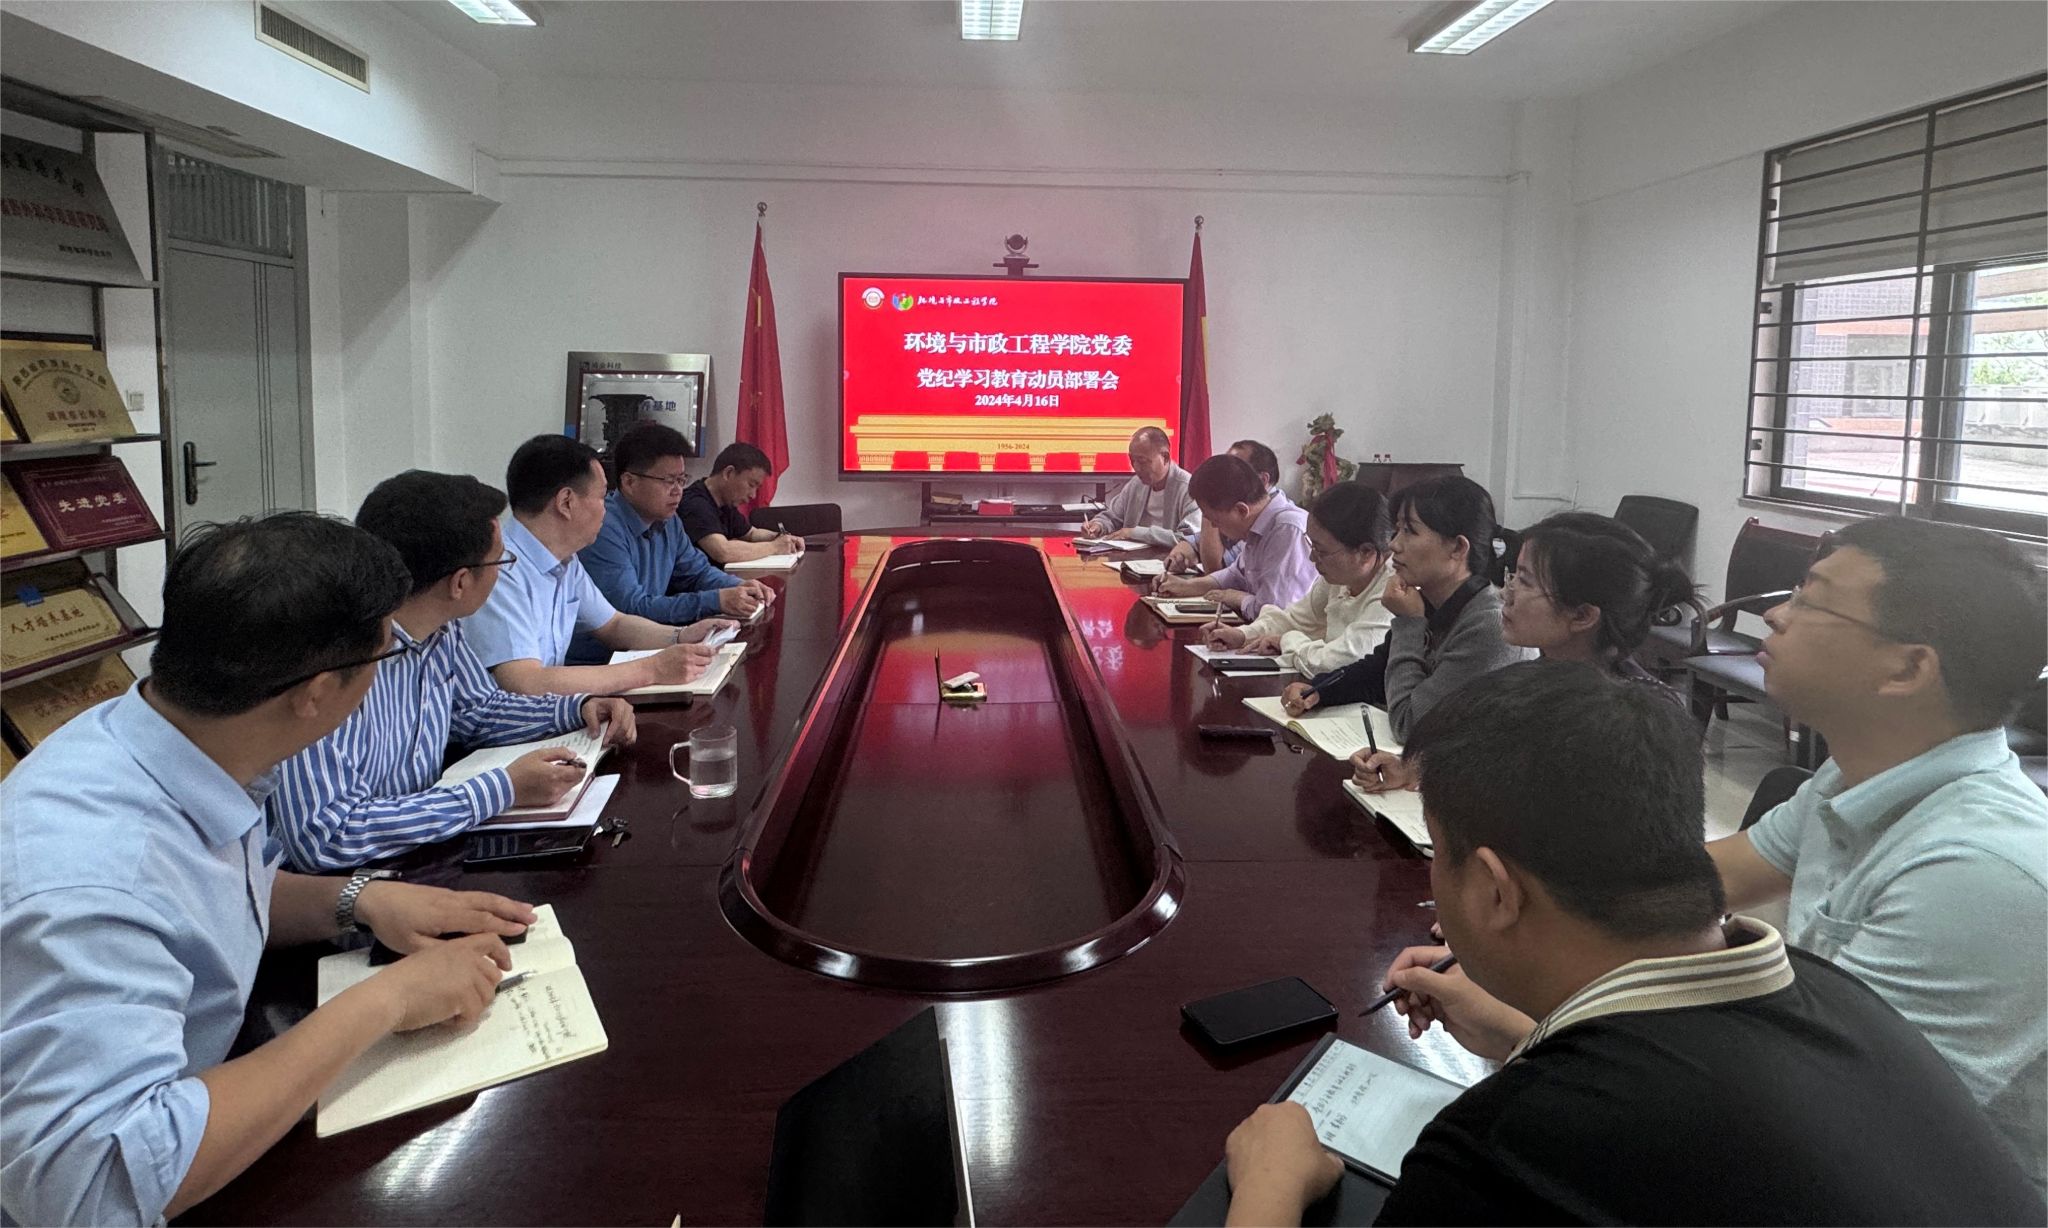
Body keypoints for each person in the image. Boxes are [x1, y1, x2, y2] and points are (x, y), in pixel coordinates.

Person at [1220, 661, 2042, 1226]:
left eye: (1439, 850)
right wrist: (1527, 1035)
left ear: (1496, 890)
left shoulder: (1511, 1144)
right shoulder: (1837, 993)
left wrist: (1271, 1185)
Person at [1, 514, 534, 1226]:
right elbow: (96, 1188)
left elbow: (202, 897)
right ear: (315, 692)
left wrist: (358, 900)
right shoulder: (91, 875)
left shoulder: (177, 742)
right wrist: (385, 1002)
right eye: (381, 661)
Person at [1705, 515, 2047, 1188]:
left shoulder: (1980, 870)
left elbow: (1830, 1110)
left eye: (1811, 600)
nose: (1775, 615)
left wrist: (1527, 1026)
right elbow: (1704, 880)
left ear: (1909, 667)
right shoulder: (1854, 774)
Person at [270, 471, 641, 871]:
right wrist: (501, 790)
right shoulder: (337, 662)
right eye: (501, 561)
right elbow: (328, 836)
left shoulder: (440, 631)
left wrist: (577, 709)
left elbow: (478, 712)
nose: (504, 571)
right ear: (460, 582)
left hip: (421, 856)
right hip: (340, 888)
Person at [1352, 510, 1694, 792]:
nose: (1506, 593)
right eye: (1512, 575)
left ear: (1582, 615)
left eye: (1526, 581)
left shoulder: (1634, 719)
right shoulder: (1535, 680)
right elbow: (1494, 760)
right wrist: (1415, 770)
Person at [468, 435, 732, 697]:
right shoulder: (501, 568)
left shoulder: (565, 560)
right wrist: (653, 668)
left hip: (551, 709)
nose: (606, 509)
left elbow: (613, 625)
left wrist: (682, 635)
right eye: (602, 497)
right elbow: (526, 682)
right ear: (566, 502)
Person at [1281, 475, 1526, 739]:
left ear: (1457, 547)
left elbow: (1410, 723)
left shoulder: (1488, 626)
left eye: (1409, 531)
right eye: (1397, 529)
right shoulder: (1433, 601)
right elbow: (1377, 671)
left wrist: (1409, 623)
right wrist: (1318, 691)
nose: (1393, 544)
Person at [571, 422, 774, 664]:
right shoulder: (604, 528)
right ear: (629, 482)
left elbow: (697, 572)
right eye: (669, 481)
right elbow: (631, 608)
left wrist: (740, 586)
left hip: (649, 649)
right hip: (599, 663)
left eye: (681, 480)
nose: (678, 491)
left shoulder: (669, 520)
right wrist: (717, 600)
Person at [1201, 481, 1393, 675]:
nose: (1312, 558)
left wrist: (1288, 641)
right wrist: (1242, 635)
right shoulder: (1341, 577)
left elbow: (1343, 661)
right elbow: (1294, 619)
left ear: (1366, 552)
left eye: (1321, 551)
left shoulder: (1393, 590)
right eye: (1312, 545)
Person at [1151, 454, 1316, 619]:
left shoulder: (1287, 530)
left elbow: (1275, 613)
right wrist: (1187, 586)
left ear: (1242, 510)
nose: (1214, 527)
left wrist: (1238, 598)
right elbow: (1235, 574)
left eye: (1216, 520)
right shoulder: (1258, 525)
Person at [680, 441, 804, 564]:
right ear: (728, 473)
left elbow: (751, 534)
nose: (753, 495)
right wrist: (775, 547)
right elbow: (723, 552)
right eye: (751, 485)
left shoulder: (725, 502)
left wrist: (780, 537)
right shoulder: (694, 503)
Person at [1168, 438, 1280, 574]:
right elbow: (1195, 541)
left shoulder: (1273, 523)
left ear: (1262, 480)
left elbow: (1215, 568)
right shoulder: (1240, 507)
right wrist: (1180, 554)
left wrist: (1209, 507)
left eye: (1233, 469)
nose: (1222, 475)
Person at [1078, 425, 1199, 547]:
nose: (1136, 467)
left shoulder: (1189, 488)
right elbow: (1112, 516)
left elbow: (1190, 538)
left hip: (1169, 557)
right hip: (1133, 557)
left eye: (1142, 461)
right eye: (1132, 461)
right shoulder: (1136, 484)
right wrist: (1098, 525)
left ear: (1165, 457)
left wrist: (1134, 533)